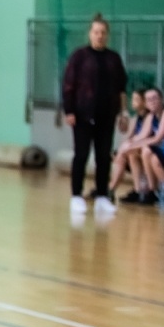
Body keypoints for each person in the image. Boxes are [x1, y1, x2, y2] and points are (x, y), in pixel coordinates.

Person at [60, 14, 127, 215]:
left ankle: (102, 196)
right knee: (81, 154)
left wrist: (123, 113)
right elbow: (68, 86)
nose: (99, 36)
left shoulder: (114, 58)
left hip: (107, 115)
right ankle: (76, 195)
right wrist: (69, 110)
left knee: (104, 156)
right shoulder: (79, 56)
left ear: (107, 35)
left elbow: (121, 88)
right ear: (90, 34)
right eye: (96, 32)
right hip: (82, 115)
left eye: (103, 33)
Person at [108, 90, 148, 200]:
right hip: (137, 150)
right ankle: (111, 188)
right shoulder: (136, 118)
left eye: (136, 100)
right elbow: (127, 137)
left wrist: (126, 147)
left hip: (148, 150)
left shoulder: (149, 117)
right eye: (133, 99)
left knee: (130, 153)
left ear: (144, 102)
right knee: (119, 155)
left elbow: (145, 137)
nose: (132, 102)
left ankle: (137, 190)